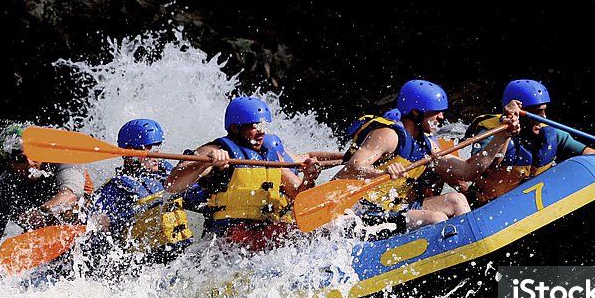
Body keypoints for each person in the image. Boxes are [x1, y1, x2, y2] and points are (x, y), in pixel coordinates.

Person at [334, 79, 520, 233]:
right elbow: (355, 165)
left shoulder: (427, 143)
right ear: (416, 112)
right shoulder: (388, 135)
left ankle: (470, 241)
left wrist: (501, 136)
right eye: (435, 112)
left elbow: (467, 171)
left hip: (396, 208)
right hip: (366, 210)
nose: (441, 117)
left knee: (456, 199)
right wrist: (381, 173)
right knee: (436, 218)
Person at [164, 96, 322, 252]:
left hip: (261, 230)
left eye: (262, 125)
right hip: (227, 235)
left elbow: (297, 195)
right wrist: (205, 163)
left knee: (305, 233)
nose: (261, 132)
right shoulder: (214, 150)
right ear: (235, 128)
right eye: (254, 126)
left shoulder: (271, 156)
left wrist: (309, 178)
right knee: (262, 234)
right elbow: (172, 185)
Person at [464, 79, 595, 205]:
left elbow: (592, 154)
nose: (544, 118)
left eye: (544, 110)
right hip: (486, 206)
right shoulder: (490, 132)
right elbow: (483, 166)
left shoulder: (551, 134)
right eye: (537, 112)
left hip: (526, 208)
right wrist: (507, 129)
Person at [0, 122, 92, 268]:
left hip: (87, 231)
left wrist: (42, 212)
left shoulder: (64, 158)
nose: (30, 162)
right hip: (47, 246)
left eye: (33, 153)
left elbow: (70, 195)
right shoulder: (0, 193)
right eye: (20, 159)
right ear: (9, 165)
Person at [86, 118, 194, 271]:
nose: (157, 155)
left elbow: (198, 195)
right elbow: (94, 227)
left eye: (158, 148)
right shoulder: (114, 189)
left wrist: (199, 167)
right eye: (150, 149)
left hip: (182, 254)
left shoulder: (167, 173)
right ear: (131, 153)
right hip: (148, 264)